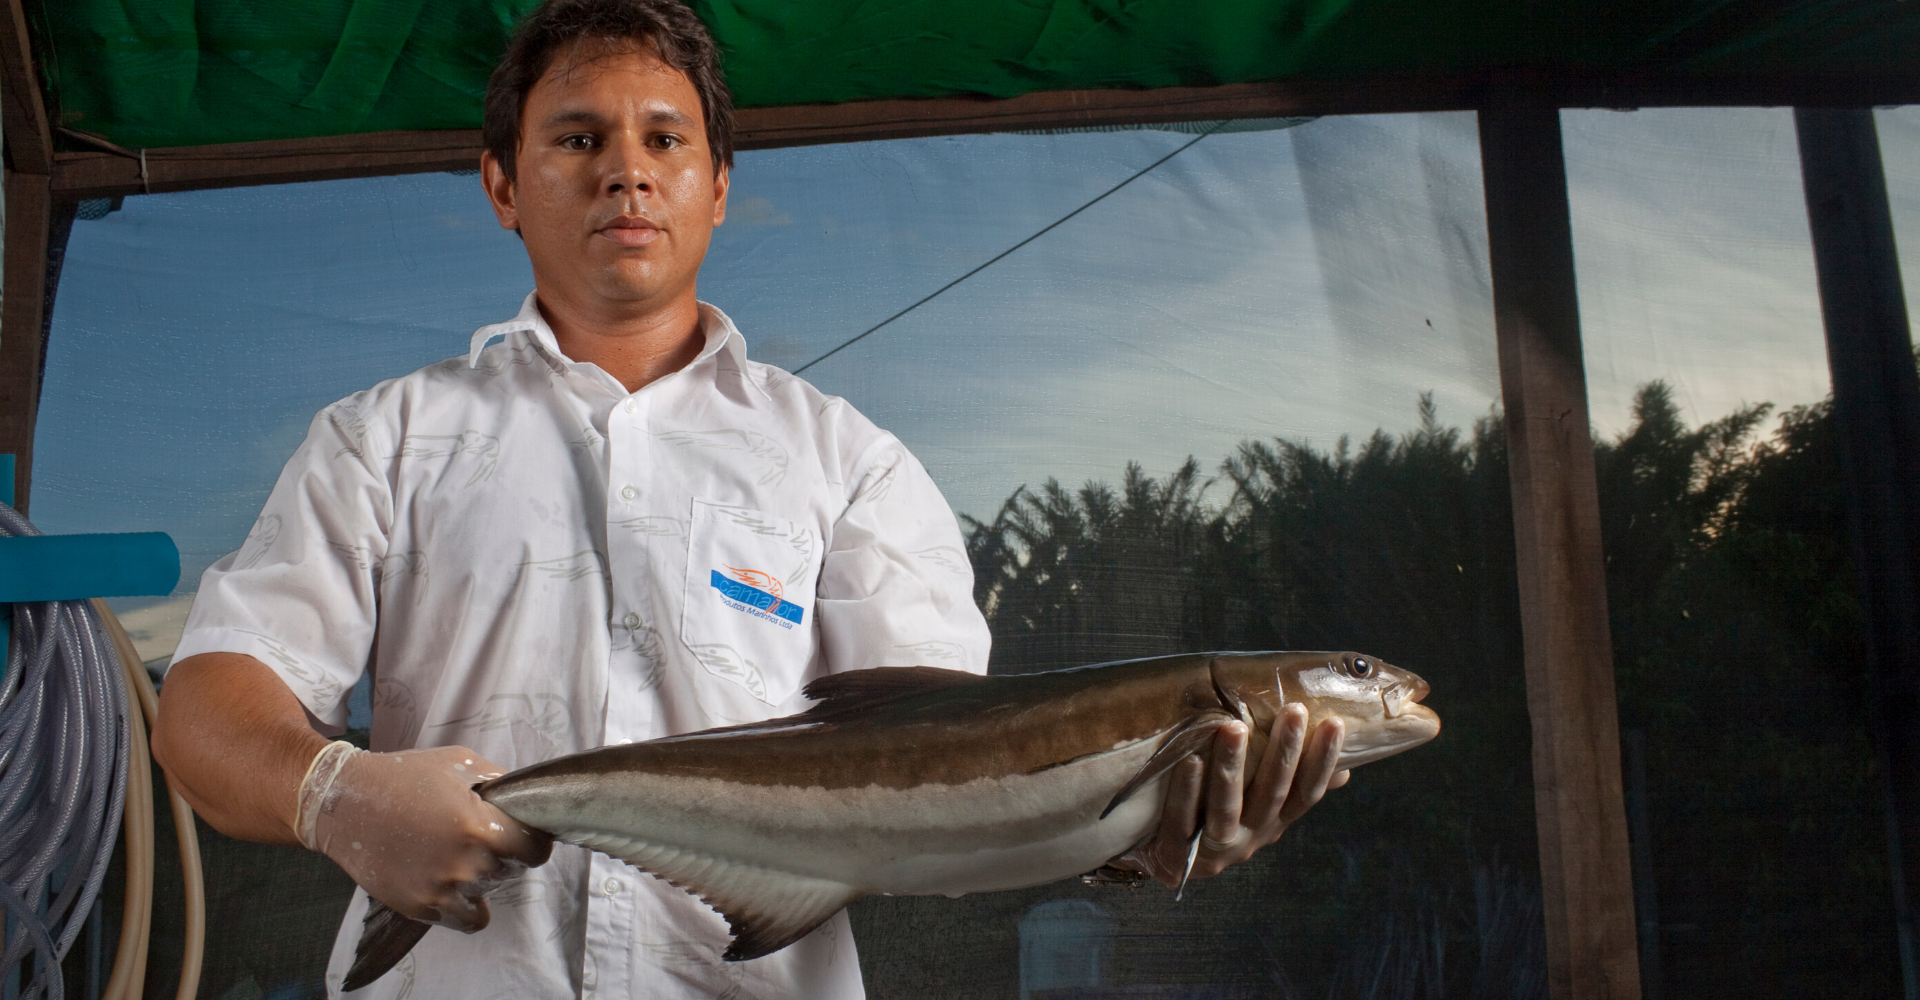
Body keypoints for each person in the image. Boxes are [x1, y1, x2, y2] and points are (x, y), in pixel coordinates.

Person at [149, 1, 1350, 996]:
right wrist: (335, 792)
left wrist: (1145, 839)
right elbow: (204, 710)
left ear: (718, 187)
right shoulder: (384, 439)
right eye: (576, 138)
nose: (627, 168)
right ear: (502, 184)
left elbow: (955, 781)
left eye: (665, 140)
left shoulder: (847, 462)